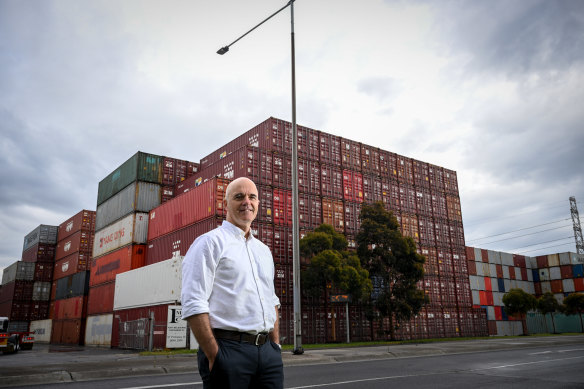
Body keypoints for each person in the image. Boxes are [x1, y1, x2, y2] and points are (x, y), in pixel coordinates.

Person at [181, 177, 283, 389]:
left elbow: (271, 300)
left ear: (258, 204)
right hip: (228, 350)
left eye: (252, 197)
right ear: (225, 204)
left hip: (268, 355)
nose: (247, 201)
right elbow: (193, 302)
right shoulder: (209, 243)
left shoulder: (263, 251)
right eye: (239, 197)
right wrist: (214, 354)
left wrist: (275, 345)